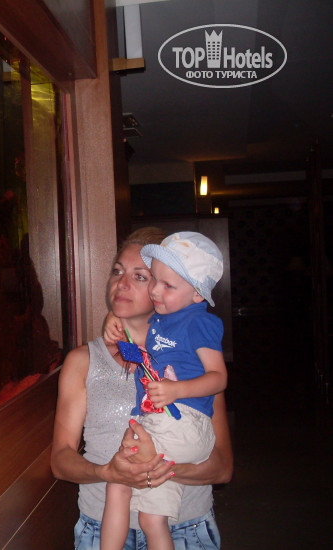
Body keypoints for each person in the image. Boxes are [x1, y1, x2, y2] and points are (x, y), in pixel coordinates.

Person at [50, 227, 233, 550]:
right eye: (117, 272)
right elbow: (60, 460)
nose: (121, 284)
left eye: (139, 277)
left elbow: (222, 468)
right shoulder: (82, 361)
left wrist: (155, 469)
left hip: (183, 530)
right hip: (100, 529)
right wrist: (109, 472)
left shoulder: (194, 363)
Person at [100, 232, 228, 550]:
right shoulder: (163, 320)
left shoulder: (198, 323)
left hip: (183, 420)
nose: (156, 290)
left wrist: (177, 390)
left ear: (197, 294)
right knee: (149, 517)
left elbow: (219, 378)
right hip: (164, 421)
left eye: (167, 285)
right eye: (154, 279)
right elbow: (144, 349)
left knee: (119, 481)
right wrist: (115, 320)